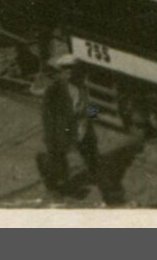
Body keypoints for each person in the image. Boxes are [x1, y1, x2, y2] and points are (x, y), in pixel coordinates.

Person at [37, 53, 107, 199]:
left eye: (72, 69)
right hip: (62, 126)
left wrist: (93, 118)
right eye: (65, 69)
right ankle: (56, 187)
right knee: (57, 158)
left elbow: (91, 103)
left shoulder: (82, 84)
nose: (69, 72)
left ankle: (96, 175)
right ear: (61, 71)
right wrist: (52, 133)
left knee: (90, 149)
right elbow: (47, 114)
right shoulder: (54, 89)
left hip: (81, 123)